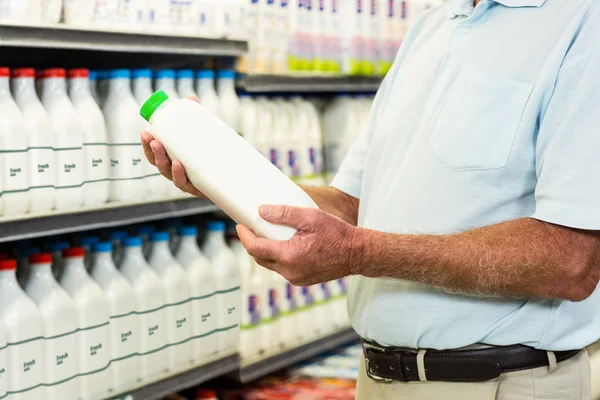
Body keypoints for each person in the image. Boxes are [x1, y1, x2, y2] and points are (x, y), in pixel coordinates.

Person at [142, 0, 600, 398]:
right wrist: (225, 179)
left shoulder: (583, 22)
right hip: (378, 377)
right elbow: (354, 205)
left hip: (501, 382)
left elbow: (571, 260)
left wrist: (357, 252)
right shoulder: (433, 26)